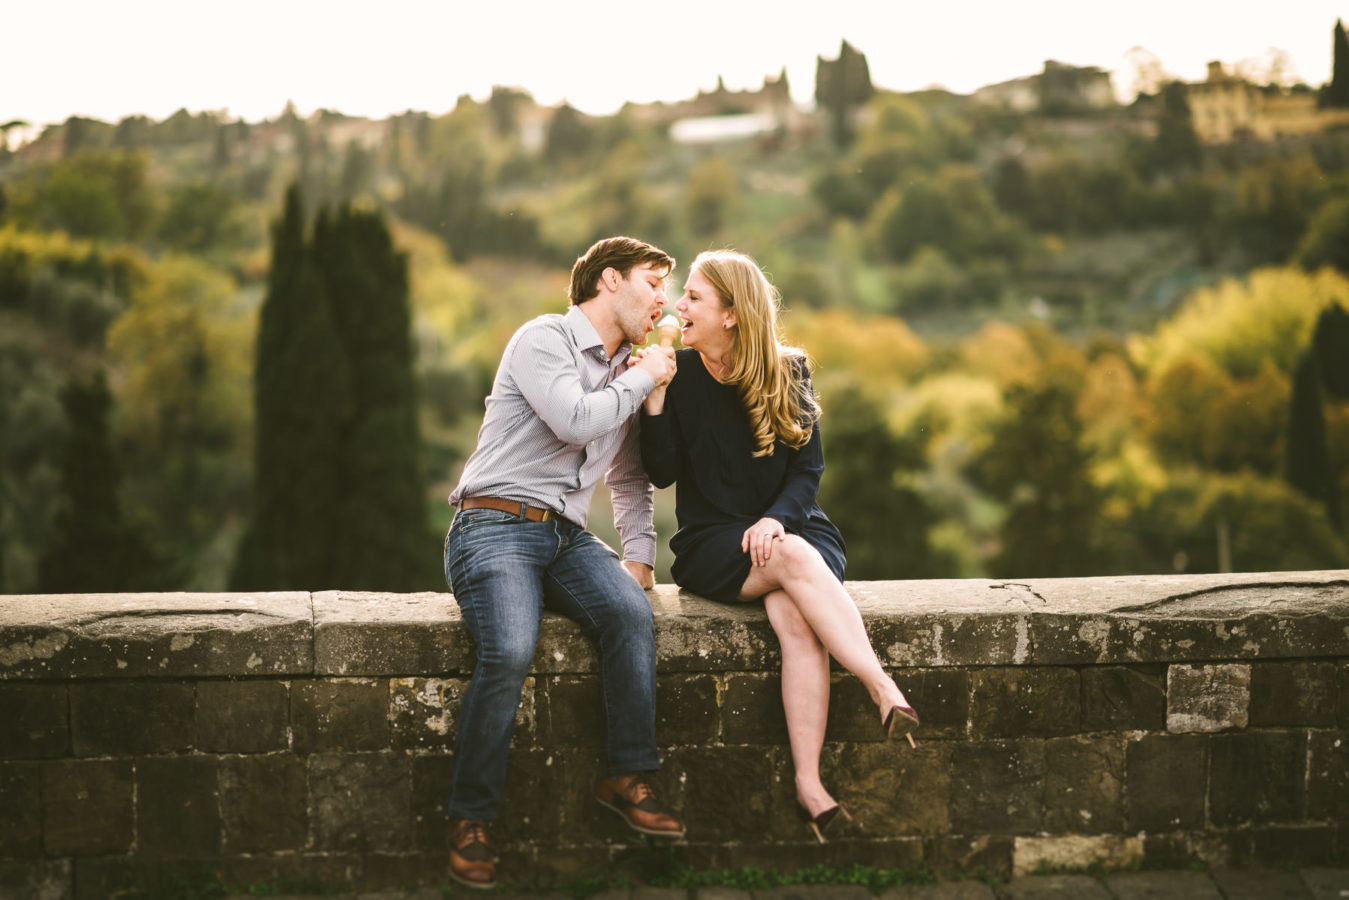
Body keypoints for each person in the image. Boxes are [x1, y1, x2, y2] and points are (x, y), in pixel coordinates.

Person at [639, 249, 918, 844]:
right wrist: (655, 396)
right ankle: (881, 687)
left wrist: (774, 520)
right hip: (712, 543)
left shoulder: (790, 371)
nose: (678, 307)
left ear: (733, 314)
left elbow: (807, 472)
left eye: (693, 298)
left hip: (796, 525)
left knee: (796, 618)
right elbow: (660, 474)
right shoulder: (679, 374)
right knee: (790, 559)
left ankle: (810, 789)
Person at [443, 236, 685, 890]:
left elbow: (630, 480)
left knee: (630, 617)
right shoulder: (542, 338)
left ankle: (624, 776)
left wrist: (639, 556)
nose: (665, 298)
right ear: (609, 281)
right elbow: (576, 420)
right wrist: (647, 377)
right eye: (653, 281)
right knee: (511, 648)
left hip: (566, 539)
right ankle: (470, 819)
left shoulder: (629, 370)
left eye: (669, 286)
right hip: (493, 522)